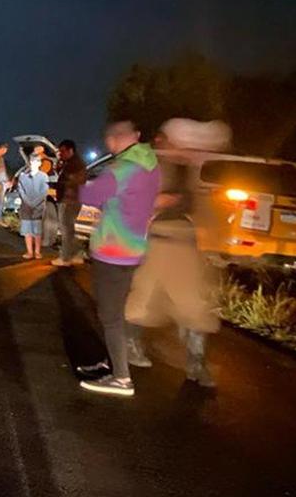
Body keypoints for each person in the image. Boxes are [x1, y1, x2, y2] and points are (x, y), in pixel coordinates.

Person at [124, 118, 231, 388]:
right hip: (158, 240)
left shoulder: (193, 171)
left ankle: (196, 362)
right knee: (143, 299)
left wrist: (216, 246)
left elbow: (206, 210)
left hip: (186, 244)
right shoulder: (155, 166)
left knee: (194, 305)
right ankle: (130, 346)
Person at [76, 120, 161, 397]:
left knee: (110, 316)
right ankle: (113, 362)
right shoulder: (150, 166)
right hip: (134, 248)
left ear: (114, 140)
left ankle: (121, 379)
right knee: (117, 313)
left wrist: (81, 183)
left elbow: (88, 195)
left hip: (113, 251)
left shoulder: (121, 169)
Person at [53, 139, 88, 266]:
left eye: (62, 151)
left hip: (70, 200)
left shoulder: (75, 164)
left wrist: (58, 184)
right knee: (69, 229)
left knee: (66, 229)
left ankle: (65, 258)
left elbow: (74, 182)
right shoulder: (70, 163)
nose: (60, 154)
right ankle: (76, 255)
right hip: (71, 199)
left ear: (70, 150)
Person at [14, 155, 48, 259]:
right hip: (26, 207)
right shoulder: (23, 176)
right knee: (27, 231)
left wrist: (35, 203)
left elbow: (44, 192)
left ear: (39, 163)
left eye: (36, 161)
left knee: (37, 231)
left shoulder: (43, 176)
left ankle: (37, 252)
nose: (33, 163)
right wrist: (28, 202)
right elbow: (21, 190)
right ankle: (29, 252)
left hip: (38, 208)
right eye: (32, 161)